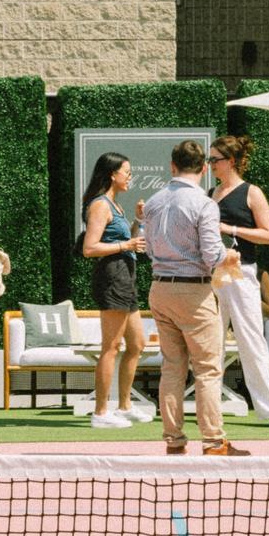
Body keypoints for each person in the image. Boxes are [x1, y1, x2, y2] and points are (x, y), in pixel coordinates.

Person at [141, 139, 247, 457]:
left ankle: (174, 440)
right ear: (203, 168)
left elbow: (147, 248)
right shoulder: (204, 204)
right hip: (194, 290)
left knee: (172, 367)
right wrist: (232, 254)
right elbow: (213, 254)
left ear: (172, 166)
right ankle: (214, 440)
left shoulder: (154, 203)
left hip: (160, 287)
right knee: (207, 369)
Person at [209, 135, 269, 430]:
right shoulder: (211, 193)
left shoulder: (251, 192)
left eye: (214, 160)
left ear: (230, 161)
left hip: (241, 273)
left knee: (251, 339)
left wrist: (229, 228)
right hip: (213, 275)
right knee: (210, 343)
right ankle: (210, 407)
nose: (210, 165)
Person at [80, 152, 151, 430]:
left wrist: (137, 221)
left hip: (125, 276)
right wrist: (127, 246)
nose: (130, 177)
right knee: (111, 347)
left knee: (137, 345)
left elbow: (125, 238)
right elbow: (90, 248)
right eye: (127, 172)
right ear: (112, 174)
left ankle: (124, 406)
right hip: (112, 277)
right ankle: (100, 412)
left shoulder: (116, 206)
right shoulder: (100, 205)